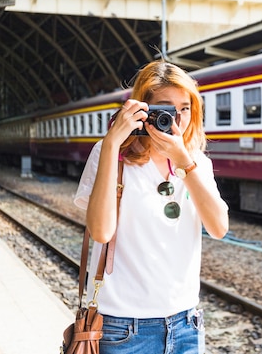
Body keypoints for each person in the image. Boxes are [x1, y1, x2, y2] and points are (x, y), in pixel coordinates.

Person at [74, 60, 229, 354]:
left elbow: (219, 228)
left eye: (185, 108)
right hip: (122, 329)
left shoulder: (196, 161)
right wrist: (111, 144)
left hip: (185, 325)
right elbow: (101, 231)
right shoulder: (110, 156)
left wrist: (184, 160)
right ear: (143, 109)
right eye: (166, 109)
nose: (176, 119)